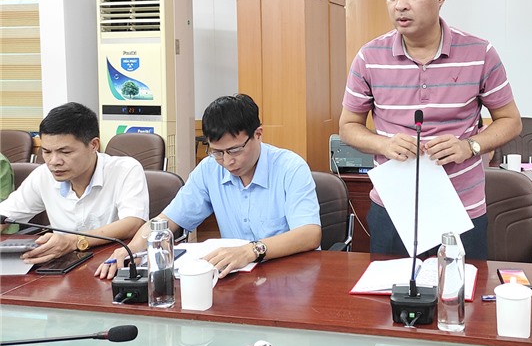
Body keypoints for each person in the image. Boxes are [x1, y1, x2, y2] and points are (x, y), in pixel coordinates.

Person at [339, 0, 522, 260]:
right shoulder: (369, 57)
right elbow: (348, 126)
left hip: (462, 209)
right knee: (391, 290)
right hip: (393, 208)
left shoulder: (480, 53)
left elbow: (511, 121)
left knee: (461, 290)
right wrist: (384, 145)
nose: (400, 4)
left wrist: (470, 146)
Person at [96, 94, 321, 279]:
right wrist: (132, 249)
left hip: (290, 276)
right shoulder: (209, 169)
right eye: (217, 152)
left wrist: (251, 250)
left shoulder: (290, 168)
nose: (227, 161)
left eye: (234, 150)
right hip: (237, 277)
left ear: (258, 134)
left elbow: (310, 234)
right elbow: (167, 221)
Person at [0, 103, 149, 263]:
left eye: (65, 152)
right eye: (47, 152)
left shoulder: (125, 169)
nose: (54, 161)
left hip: (112, 263)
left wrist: (74, 241)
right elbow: (5, 215)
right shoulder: (43, 174)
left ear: (93, 145)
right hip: (62, 265)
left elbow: (133, 222)